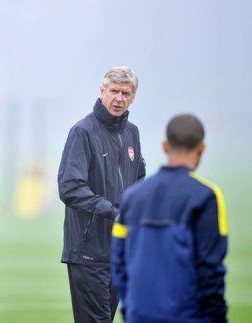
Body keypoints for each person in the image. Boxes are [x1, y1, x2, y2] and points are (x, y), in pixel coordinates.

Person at [111, 114, 228, 322]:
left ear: (165, 146)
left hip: (139, 316)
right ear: (201, 148)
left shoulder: (132, 197)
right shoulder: (206, 196)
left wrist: (130, 311)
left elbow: (119, 264)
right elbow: (211, 270)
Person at [57, 66, 146, 322]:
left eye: (125, 93)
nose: (119, 98)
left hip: (119, 249)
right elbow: (70, 187)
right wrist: (113, 212)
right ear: (102, 91)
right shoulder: (82, 131)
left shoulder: (132, 133)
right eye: (114, 91)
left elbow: (138, 177)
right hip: (88, 251)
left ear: (132, 98)